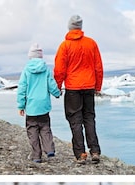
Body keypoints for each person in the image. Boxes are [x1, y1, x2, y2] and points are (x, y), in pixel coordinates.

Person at [54, 14, 103, 165]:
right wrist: (97, 86)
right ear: (80, 27)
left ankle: (80, 154)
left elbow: (59, 69)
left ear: (70, 27)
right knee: (89, 118)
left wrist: (58, 85)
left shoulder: (65, 46)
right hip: (89, 86)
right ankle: (94, 151)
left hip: (73, 88)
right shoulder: (91, 43)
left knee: (75, 120)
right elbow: (98, 67)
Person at [17, 43, 61, 163]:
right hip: (43, 106)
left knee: (32, 131)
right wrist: (57, 93)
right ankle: (49, 149)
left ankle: (36, 155)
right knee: (45, 128)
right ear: (41, 56)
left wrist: (21, 105)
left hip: (31, 107)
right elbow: (51, 84)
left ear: (30, 56)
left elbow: (22, 88)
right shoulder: (46, 69)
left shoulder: (26, 70)